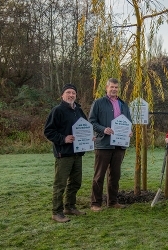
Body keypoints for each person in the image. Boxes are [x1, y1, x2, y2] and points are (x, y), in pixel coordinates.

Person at [44, 83, 88, 223]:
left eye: (73, 93)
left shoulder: (79, 110)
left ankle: (70, 207)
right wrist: (63, 139)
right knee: (60, 184)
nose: (71, 95)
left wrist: (89, 137)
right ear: (62, 95)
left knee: (76, 182)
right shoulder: (57, 110)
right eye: (68, 92)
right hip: (64, 153)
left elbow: (85, 127)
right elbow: (48, 131)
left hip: (77, 152)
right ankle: (56, 212)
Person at [89, 78, 132, 212]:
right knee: (99, 175)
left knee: (115, 175)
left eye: (116, 87)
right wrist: (103, 129)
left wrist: (129, 131)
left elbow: (128, 122)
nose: (114, 89)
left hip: (119, 145)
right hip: (104, 144)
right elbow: (92, 121)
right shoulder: (98, 103)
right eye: (112, 87)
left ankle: (113, 201)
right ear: (106, 88)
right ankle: (95, 203)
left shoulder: (123, 104)